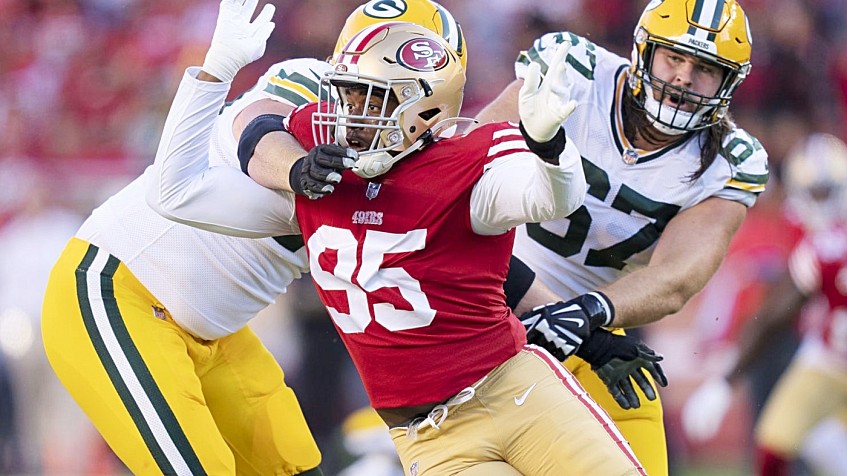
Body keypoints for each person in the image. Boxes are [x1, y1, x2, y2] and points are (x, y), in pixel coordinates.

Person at [147, 0, 655, 472]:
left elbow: (552, 202)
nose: (350, 113)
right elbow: (227, 146)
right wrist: (222, 78)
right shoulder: (320, 165)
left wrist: (553, 149)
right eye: (345, 93)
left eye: (368, 99)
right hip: (426, 438)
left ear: (426, 105)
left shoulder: (467, 161)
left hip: (517, 394)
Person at [40, 0, 471, 474]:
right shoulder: (313, 87)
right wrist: (296, 170)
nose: (363, 105)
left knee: (296, 466)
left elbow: (459, 229)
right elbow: (259, 129)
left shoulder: (417, 157)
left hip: (215, 332)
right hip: (120, 291)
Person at [471, 1, 769, 475]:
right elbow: (460, 178)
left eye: (705, 69)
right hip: (482, 298)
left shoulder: (729, 162)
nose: (684, 78)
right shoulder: (574, 72)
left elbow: (675, 279)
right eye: (674, 58)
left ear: (729, 83)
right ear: (643, 51)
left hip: (586, 326)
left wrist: (592, 311)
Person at [682, 132, 847, 476]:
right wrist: (724, 382)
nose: (821, 204)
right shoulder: (809, 238)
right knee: (774, 444)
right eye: (814, 193)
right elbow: (775, 310)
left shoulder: (824, 244)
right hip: (825, 354)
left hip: (815, 344)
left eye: (828, 192)